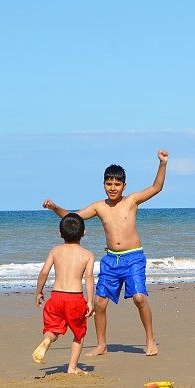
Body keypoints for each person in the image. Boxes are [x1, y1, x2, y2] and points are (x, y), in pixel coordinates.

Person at [42, 149, 168, 357]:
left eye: (117, 184)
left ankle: (150, 340)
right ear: (104, 185)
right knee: (100, 303)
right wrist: (55, 207)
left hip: (133, 257)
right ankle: (101, 345)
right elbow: (73, 217)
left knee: (139, 298)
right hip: (111, 260)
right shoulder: (100, 207)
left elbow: (157, 187)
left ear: (124, 186)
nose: (113, 188)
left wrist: (162, 163)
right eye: (109, 184)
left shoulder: (132, 200)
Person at [32, 213, 95, 373]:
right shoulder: (88, 255)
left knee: (52, 329)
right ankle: (72, 368)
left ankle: (47, 340)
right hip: (75, 298)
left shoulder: (55, 251)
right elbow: (89, 278)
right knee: (79, 334)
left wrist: (38, 292)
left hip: (56, 297)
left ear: (60, 233)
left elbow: (44, 272)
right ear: (84, 233)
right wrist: (90, 301)